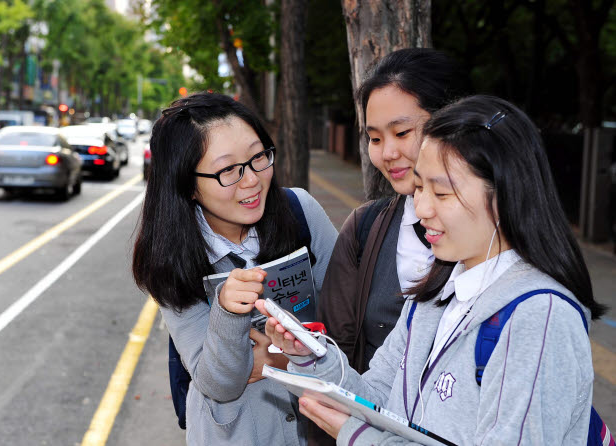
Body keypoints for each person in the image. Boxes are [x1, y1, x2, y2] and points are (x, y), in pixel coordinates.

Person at [258, 95, 607, 445]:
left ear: (504, 195)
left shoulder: (538, 317)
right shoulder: (436, 291)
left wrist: (359, 438)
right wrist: (313, 360)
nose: (421, 208)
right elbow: (378, 395)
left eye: (441, 193)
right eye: (420, 187)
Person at [131, 92, 338, 445]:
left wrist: (270, 359)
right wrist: (227, 312)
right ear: (188, 185)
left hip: (319, 430)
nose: (251, 180)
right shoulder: (170, 257)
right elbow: (219, 384)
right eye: (228, 170)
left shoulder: (301, 213)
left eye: (258, 157)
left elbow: (346, 320)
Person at [317, 48, 466, 374]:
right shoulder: (363, 228)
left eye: (401, 133)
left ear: (451, 120)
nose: (387, 152)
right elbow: (336, 351)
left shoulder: (498, 237)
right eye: (374, 138)